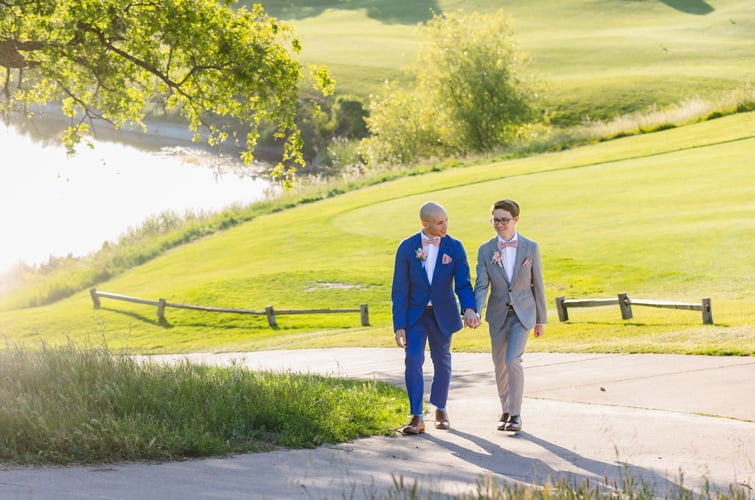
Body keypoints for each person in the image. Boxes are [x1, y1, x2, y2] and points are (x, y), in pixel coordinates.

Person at [391, 201, 479, 434]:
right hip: (415, 316)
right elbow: (399, 289)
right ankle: (417, 416)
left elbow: (463, 283)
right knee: (413, 358)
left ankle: (440, 408)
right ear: (425, 223)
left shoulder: (455, 247)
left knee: (442, 361)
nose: (445, 226)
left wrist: (469, 308)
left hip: (443, 314)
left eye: (446, 220)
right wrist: (399, 325)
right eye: (440, 222)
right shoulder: (407, 247)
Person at [473, 199, 546, 432]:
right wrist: (476, 310)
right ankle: (505, 409)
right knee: (499, 364)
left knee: (512, 360)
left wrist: (540, 320)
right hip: (497, 314)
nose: (500, 224)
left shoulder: (530, 247)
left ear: (516, 220)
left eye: (505, 220)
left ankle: (516, 414)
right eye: (496, 220)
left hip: (524, 313)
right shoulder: (485, 250)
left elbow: (538, 285)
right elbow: (482, 285)